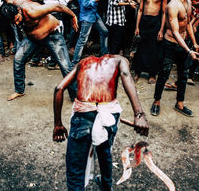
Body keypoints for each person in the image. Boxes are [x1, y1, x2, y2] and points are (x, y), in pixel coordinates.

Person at [53, 54, 149, 190]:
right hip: (107, 115)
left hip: (83, 116)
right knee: (105, 155)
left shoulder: (82, 63)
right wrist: (139, 114)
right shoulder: (119, 59)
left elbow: (59, 88)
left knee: (75, 171)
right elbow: (126, 74)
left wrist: (58, 124)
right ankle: (106, 186)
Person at [150, 0, 199, 117]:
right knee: (164, 73)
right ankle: (157, 101)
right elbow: (176, 32)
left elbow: (188, 25)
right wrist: (189, 50)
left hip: (184, 45)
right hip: (170, 45)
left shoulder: (188, 3)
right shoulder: (173, 5)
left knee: (183, 75)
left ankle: (180, 103)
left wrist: (194, 43)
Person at [133, 0, 167, 84]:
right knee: (141, 46)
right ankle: (137, 71)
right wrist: (137, 26)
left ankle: (152, 74)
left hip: (155, 22)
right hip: (144, 21)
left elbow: (163, 13)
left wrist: (161, 30)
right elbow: (140, 10)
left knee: (153, 48)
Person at [72, 0, 107, 65]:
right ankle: (74, 63)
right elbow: (84, 3)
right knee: (83, 39)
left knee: (104, 32)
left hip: (93, 13)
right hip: (87, 16)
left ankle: (104, 55)